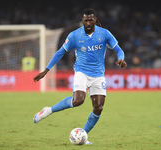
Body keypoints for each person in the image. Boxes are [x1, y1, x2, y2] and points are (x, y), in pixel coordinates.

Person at [33, 8, 127, 144]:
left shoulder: (105, 34)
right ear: (82, 20)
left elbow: (119, 50)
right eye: (85, 20)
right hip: (81, 72)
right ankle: (48, 110)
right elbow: (60, 52)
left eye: (90, 19)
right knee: (78, 100)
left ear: (95, 20)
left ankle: (83, 136)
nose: (88, 22)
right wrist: (46, 70)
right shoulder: (74, 36)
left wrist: (121, 59)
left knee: (99, 107)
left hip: (98, 75)